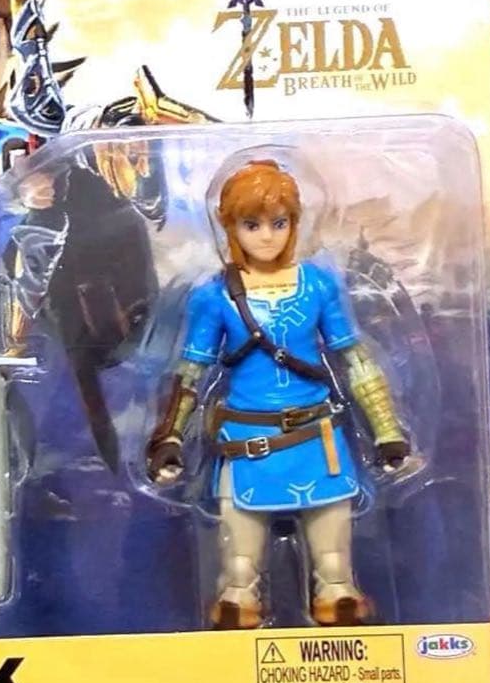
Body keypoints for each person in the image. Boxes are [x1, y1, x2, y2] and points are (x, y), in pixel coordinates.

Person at [146, 159, 410, 629]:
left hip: (317, 436)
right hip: (247, 439)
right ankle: (238, 601)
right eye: (252, 225)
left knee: (333, 559)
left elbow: (356, 358)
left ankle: (336, 595)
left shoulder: (317, 286)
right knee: (239, 566)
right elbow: (191, 371)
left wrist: (387, 430)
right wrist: (170, 436)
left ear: (294, 223)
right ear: (231, 227)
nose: (266, 236)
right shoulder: (215, 296)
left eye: (278, 223)